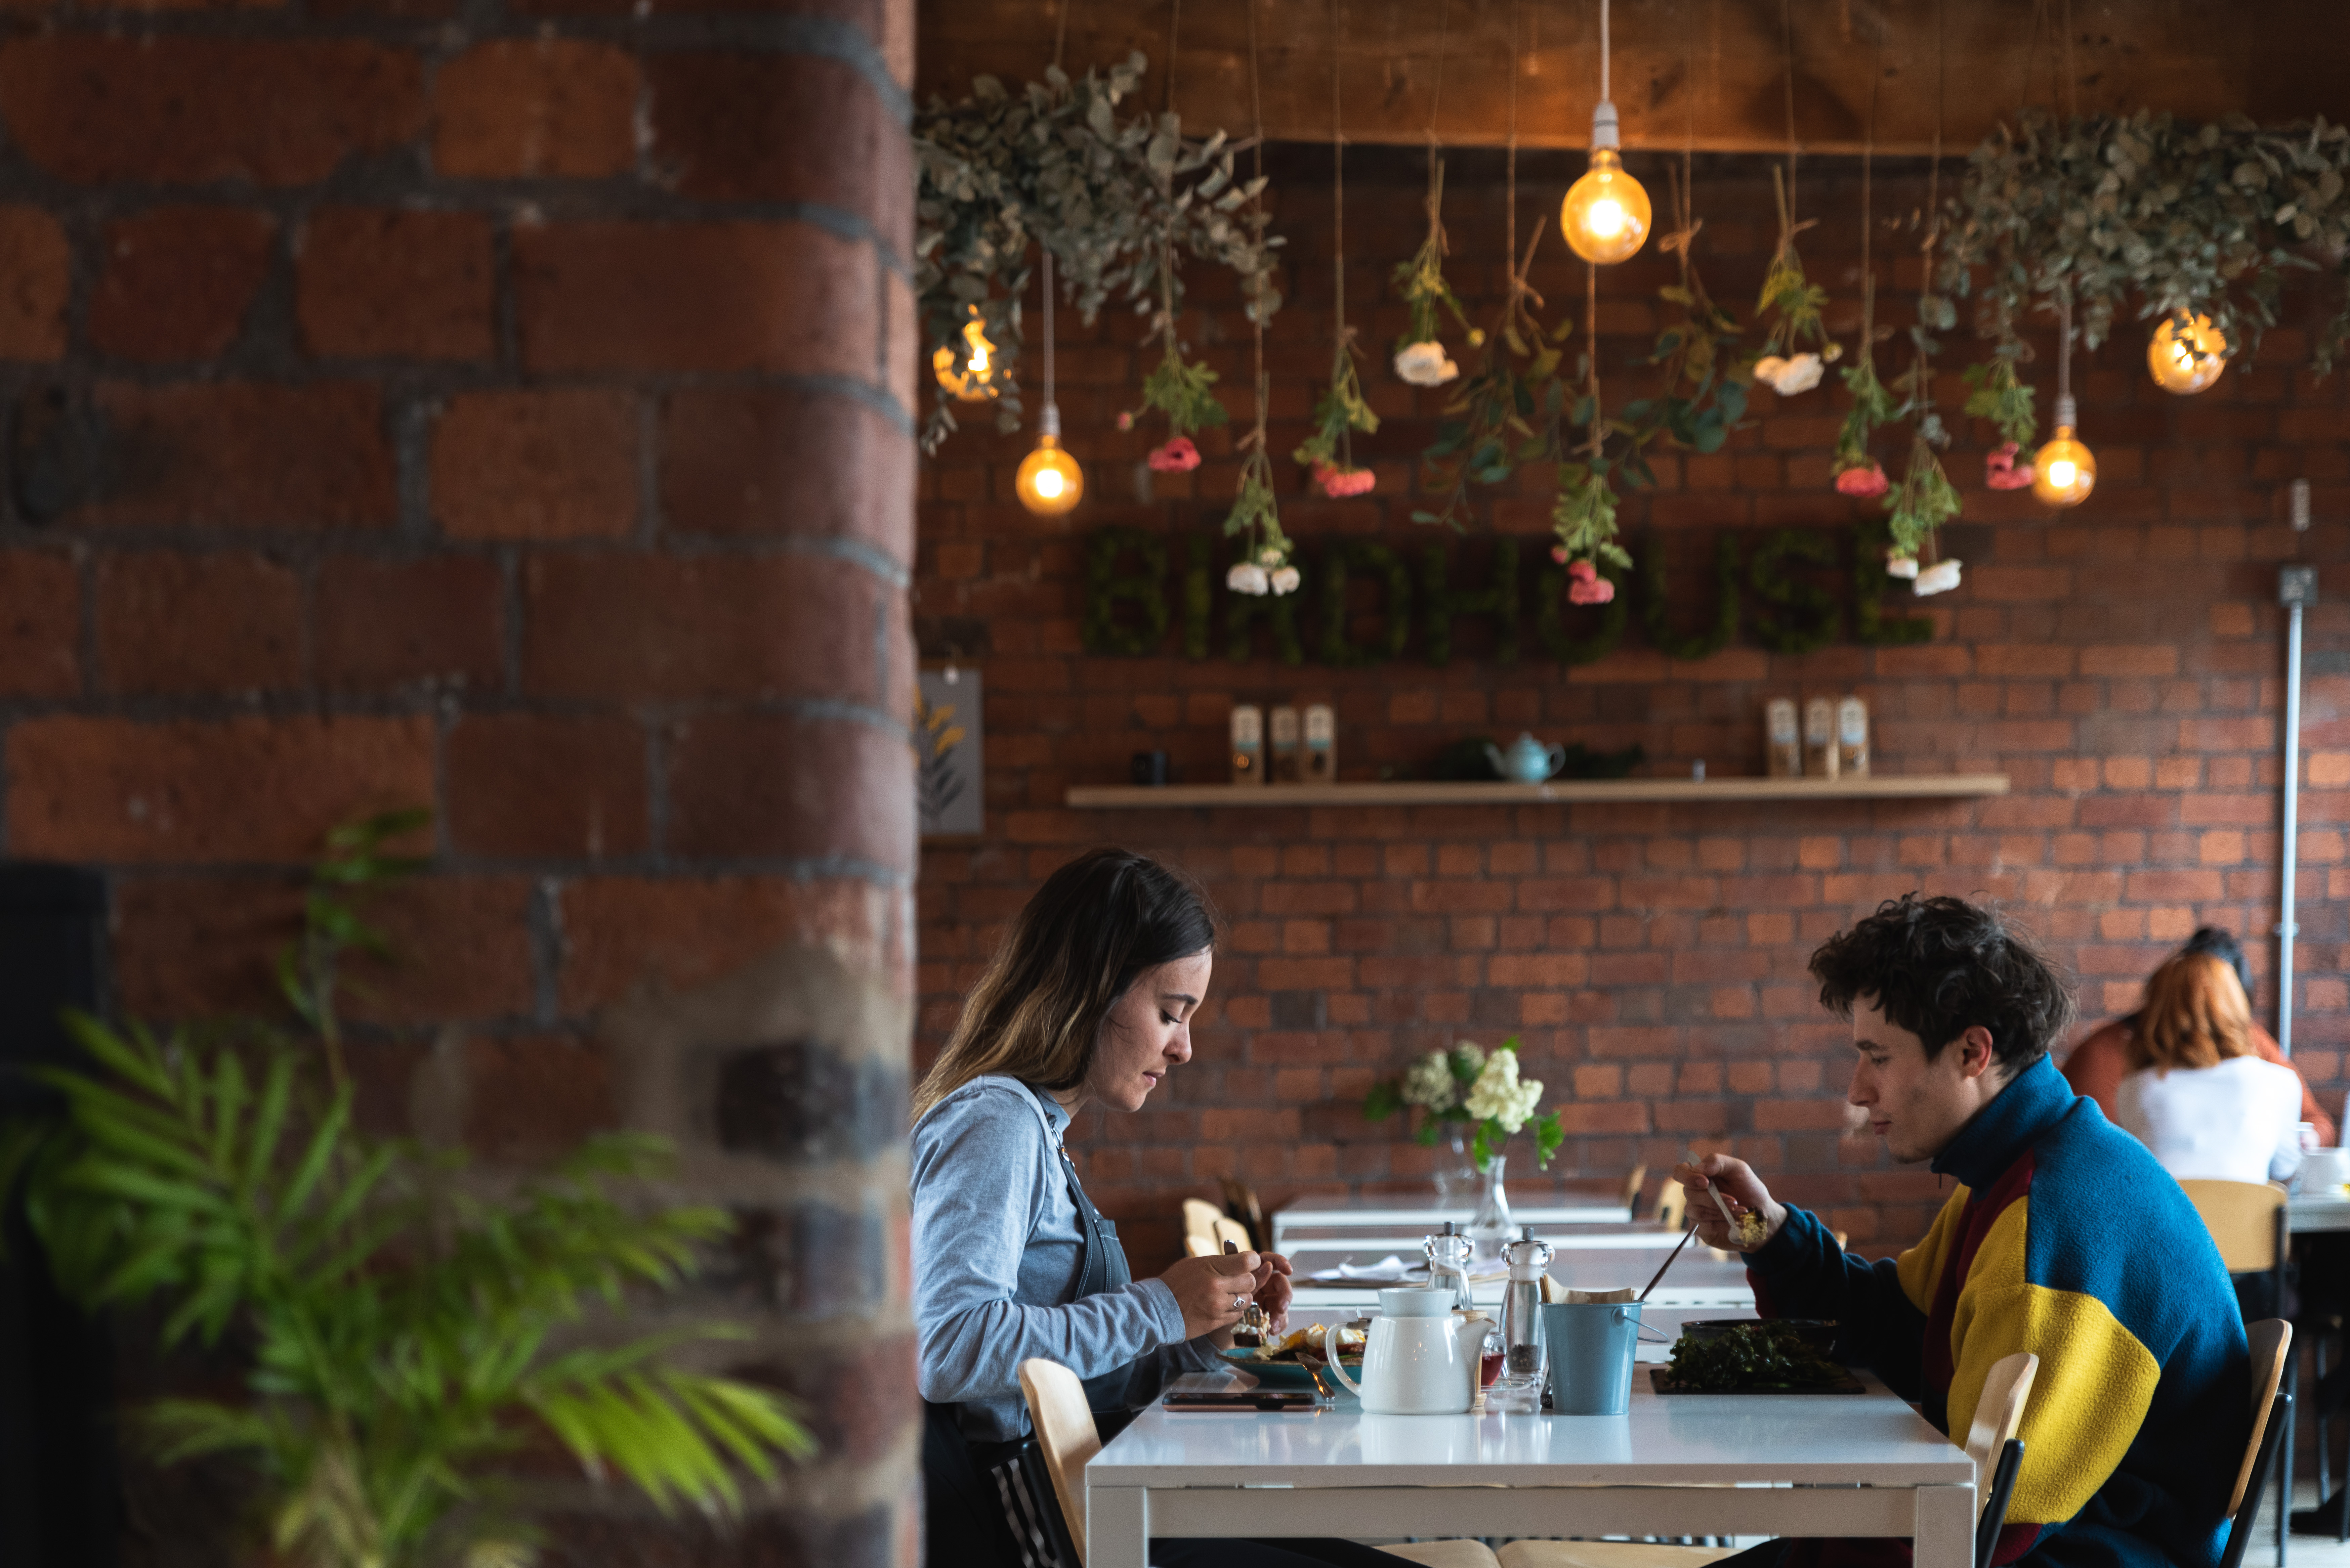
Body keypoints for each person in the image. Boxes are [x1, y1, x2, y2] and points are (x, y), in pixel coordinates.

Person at [1675, 894, 2251, 1568]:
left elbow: (1985, 1523)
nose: (1858, 1091)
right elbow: (1900, 1326)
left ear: (1972, 1052)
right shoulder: (2023, 1167)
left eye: (1877, 1058)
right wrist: (1772, 1236)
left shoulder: (2051, 1218)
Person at [913, 847, 1411, 1568]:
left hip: (1098, 1496)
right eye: (1171, 1013)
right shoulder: (998, 1124)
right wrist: (1157, 1308)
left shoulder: (1038, 1133)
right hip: (1047, 1529)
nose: (1182, 1049)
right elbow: (952, 1350)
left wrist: (1200, 1337)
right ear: (1090, 990)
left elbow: (1068, 1377)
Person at [2062, 926, 2334, 1145]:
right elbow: (2091, 1151)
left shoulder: (2253, 1043)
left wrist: (2301, 1140)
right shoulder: (2106, 1057)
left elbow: (2316, 1123)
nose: (2204, 1019)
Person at [2111, 951, 2304, 1187]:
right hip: (2244, 1223)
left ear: (2155, 1012)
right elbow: (2285, 1175)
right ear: (2237, 1006)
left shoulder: (2135, 1088)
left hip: (2167, 1224)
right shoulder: (2280, 1083)